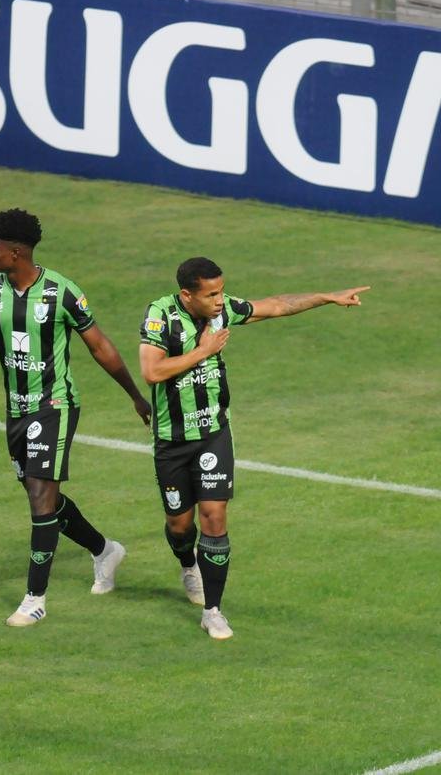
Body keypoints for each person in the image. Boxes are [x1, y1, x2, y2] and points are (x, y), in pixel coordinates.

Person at [138, 257, 369, 640]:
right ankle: (187, 565)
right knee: (180, 525)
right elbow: (151, 372)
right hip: (172, 439)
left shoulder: (222, 311)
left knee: (214, 517)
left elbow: (276, 305)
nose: (219, 300)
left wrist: (327, 297)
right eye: (211, 294)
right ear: (187, 295)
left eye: (221, 292)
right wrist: (204, 351)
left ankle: (213, 611)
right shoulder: (160, 316)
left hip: (213, 432)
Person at [0, 208, 151, 627]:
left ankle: (34, 598)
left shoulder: (61, 292)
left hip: (55, 405)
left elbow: (100, 347)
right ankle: (105, 550)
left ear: (16, 252)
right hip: (16, 410)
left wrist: (135, 395)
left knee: (42, 496)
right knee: (44, 499)